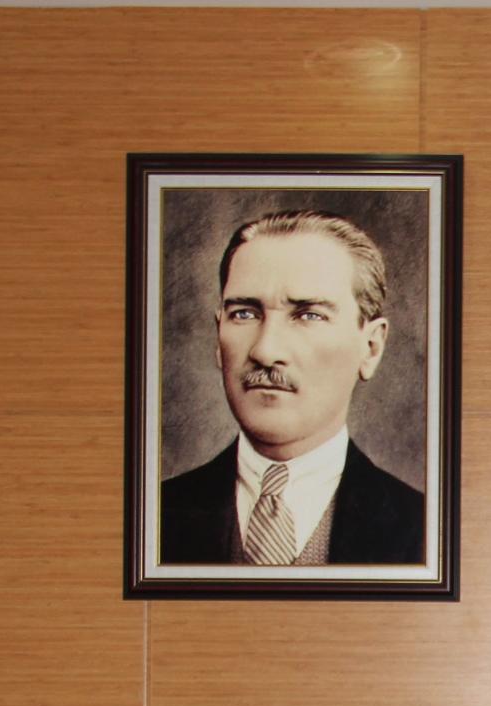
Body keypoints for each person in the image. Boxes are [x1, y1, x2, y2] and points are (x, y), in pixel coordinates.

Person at [159, 210, 424, 566]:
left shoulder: (424, 531)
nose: (265, 351)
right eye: (244, 314)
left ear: (371, 347)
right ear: (217, 336)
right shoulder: (153, 517)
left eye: (309, 315)